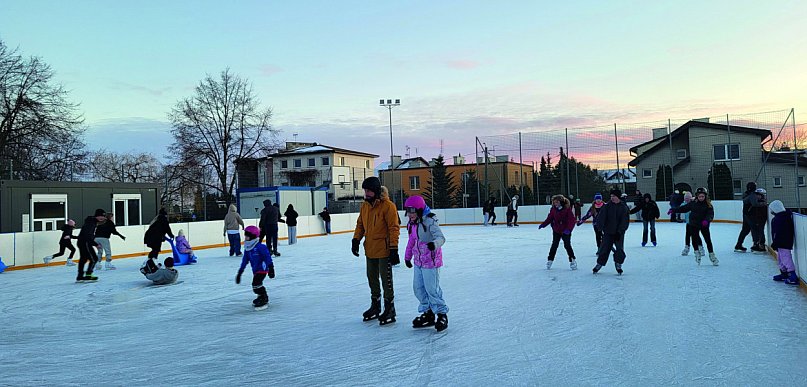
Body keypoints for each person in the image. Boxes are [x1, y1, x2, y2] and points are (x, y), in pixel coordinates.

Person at [352, 176, 400, 325]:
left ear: (376, 191)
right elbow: (360, 224)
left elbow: (394, 228)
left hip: (384, 250)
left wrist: (394, 248)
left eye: (369, 191)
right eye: (365, 190)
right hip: (370, 249)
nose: (366, 193)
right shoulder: (365, 206)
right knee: (371, 278)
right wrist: (356, 240)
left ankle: (390, 308)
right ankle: (375, 305)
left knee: (386, 280)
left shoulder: (388, 206)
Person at [403, 195, 449, 332]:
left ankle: (441, 314)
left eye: (412, 211)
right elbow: (411, 241)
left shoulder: (430, 221)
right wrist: (407, 257)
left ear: (419, 210)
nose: (409, 214)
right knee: (418, 288)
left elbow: (441, 238)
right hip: (418, 262)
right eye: (408, 211)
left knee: (432, 289)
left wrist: (434, 244)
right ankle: (428, 313)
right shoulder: (412, 223)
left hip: (431, 262)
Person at [671, 187, 717, 266]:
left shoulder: (708, 205)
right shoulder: (693, 203)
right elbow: (684, 208)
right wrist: (674, 210)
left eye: (702, 196)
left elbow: (710, 214)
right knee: (694, 239)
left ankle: (712, 255)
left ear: (705, 196)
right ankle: (697, 253)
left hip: (704, 225)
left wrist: (707, 220)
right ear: (697, 196)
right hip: (694, 224)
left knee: (708, 240)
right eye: (699, 196)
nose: (701, 198)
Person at [236, 225, 275, 309]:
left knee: (256, 284)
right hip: (255, 270)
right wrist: (240, 272)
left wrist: (271, 268)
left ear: (253, 236)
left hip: (262, 269)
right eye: (245, 235)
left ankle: (264, 297)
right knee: (257, 284)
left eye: (247, 235)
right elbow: (244, 261)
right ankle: (260, 296)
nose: (245, 237)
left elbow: (267, 257)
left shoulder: (261, 247)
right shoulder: (247, 248)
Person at [593, 189, 629, 274]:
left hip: (619, 233)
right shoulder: (607, 206)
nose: (612, 198)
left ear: (618, 197)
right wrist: (599, 227)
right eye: (611, 196)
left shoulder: (623, 207)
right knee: (604, 249)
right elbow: (601, 217)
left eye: (614, 196)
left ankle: (618, 264)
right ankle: (599, 264)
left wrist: (620, 231)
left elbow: (625, 221)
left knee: (619, 249)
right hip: (608, 232)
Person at [539, 195, 577, 270]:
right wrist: (543, 224)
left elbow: (572, 220)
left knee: (567, 245)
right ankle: (550, 260)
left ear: (561, 202)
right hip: (556, 230)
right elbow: (550, 218)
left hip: (565, 230)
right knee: (554, 245)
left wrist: (568, 229)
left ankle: (572, 259)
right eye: (554, 202)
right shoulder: (553, 209)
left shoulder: (567, 209)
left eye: (557, 202)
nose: (555, 204)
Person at [769, 200, 800, 285]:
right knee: (780, 258)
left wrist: (776, 242)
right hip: (779, 242)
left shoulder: (782, 219)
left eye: (772, 209)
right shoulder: (779, 218)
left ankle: (792, 275)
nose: (771, 211)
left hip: (784, 242)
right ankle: (784, 273)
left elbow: (780, 232)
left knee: (786, 258)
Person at [76, 209, 107, 282]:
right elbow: (88, 235)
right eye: (100, 216)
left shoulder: (92, 221)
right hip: (85, 242)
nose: (102, 218)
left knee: (83, 259)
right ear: (97, 216)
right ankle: (88, 275)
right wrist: (95, 244)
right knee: (94, 259)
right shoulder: (91, 223)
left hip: (83, 242)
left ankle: (80, 276)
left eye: (103, 216)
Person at [735, 182, 758, 252]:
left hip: (746, 214)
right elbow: (755, 204)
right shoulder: (752, 195)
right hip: (750, 214)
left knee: (745, 230)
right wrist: (763, 203)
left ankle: (738, 245)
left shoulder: (746, 194)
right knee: (754, 229)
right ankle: (755, 245)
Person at [749, 188, 769, 253]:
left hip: (760, 220)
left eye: (759, 195)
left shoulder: (762, 204)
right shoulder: (756, 203)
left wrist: (758, 220)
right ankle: (756, 243)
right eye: (757, 195)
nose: (757, 196)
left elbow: (763, 214)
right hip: (755, 219)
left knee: (760, 231)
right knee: (754, 231)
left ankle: (761, 244)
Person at [680, 191, 694, 256]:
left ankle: (700, 247)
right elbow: (680, 208)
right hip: (688, 223)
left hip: (695, 223)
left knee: (695, 236)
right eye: (685, 199)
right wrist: (674, 210)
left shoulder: (694, 203)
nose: (686, 200)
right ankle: (687, 247)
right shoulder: (684, 204)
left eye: (688, 199)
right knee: (687, 235)